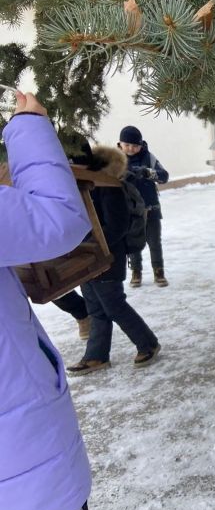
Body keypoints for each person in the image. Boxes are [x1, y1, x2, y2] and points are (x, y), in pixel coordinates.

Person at [1, 91, 92, 510]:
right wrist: (28, 128)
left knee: (107, 301)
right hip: (26, 488)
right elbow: (58, 218)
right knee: (106, 302)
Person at [66, 141, 161, 375]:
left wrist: (92, 246)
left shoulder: (107, 184)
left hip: (107, 257)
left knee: (114, 305)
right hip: (84, 257)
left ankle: (148, 343)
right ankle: (96, 356)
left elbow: (117, 226)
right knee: (95, 308)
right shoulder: (76, 185)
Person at [117, 125, 170, 287]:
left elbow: (164, 176)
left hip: (151, 208)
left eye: (135, 146)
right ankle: (136, 272)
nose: (131, 149)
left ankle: (158, 271)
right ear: (120, 144)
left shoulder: (149, 157)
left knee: (154, 241)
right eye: (127, 145)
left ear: (141, 145)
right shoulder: (115, 160)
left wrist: (148, 172)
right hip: (130, 210)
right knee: (133, 243)